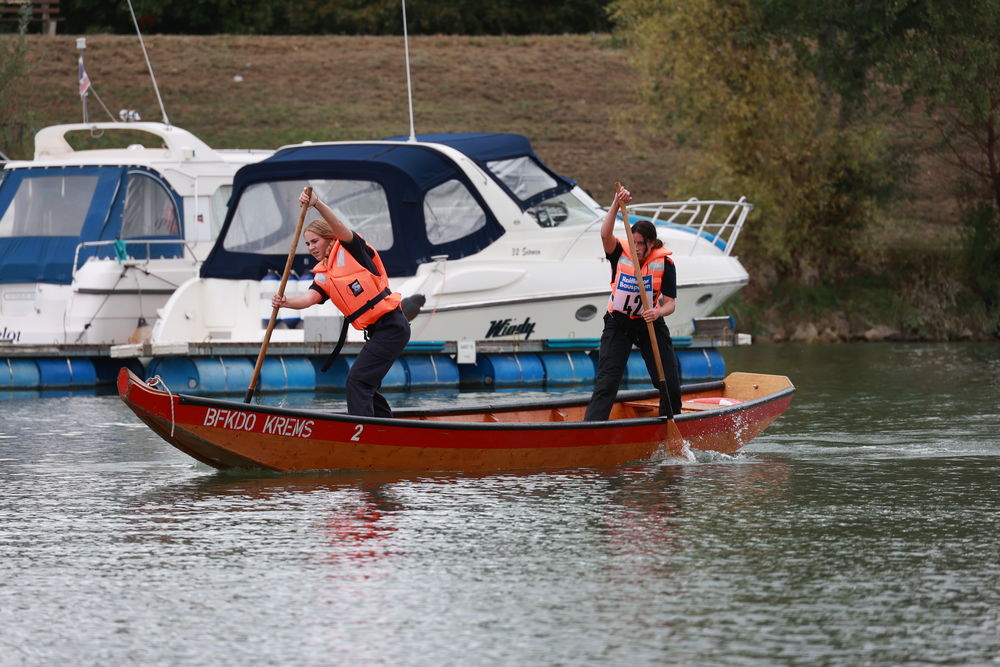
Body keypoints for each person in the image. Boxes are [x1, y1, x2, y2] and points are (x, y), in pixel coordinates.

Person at [272, 188, 410, 417]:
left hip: (392, 327)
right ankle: (386, 427)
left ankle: (363, 429)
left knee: (357, 381)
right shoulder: (324, 274)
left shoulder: (351, 248)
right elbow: (309, 298)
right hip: (379, 332)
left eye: (315, 241)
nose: (311, 247)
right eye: (307, 244)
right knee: (365, 384)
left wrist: (316, 203)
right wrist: (286, 302)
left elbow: (337, 225)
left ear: (329, 237)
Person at [584, 186, 682, 421]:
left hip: (649, 323)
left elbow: (670, 304)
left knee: (668, 380)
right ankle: (592, 428)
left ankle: (670, 422)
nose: (636, 248)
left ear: (651, 243)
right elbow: (605, 235)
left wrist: (657, 313)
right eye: (634, 242)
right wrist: (616, 203)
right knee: (607, 381)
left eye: (641, 244)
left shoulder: (665, 264)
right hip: (618, 323)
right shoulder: (620, 252)